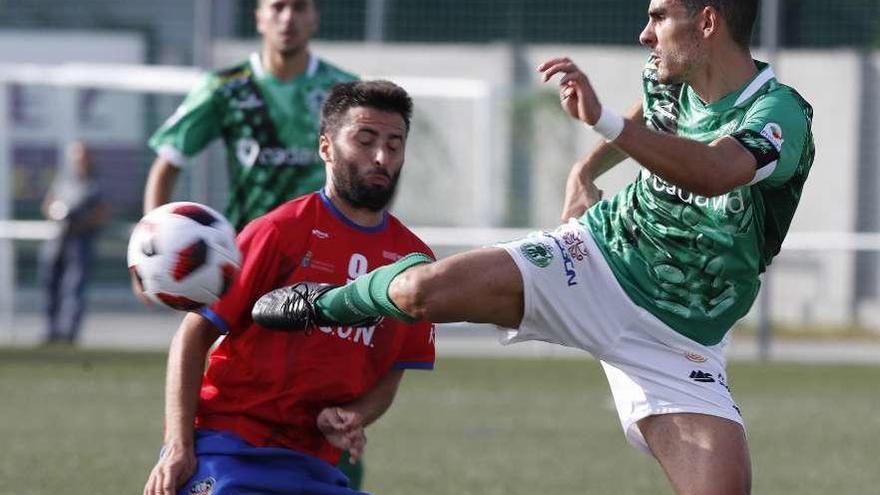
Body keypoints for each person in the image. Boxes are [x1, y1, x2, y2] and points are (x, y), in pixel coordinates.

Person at [253, 2, 815, 494]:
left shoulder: (778, 113)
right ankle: (320, 303)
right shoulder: (671, 71)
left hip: (679, 339)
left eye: (659, 16)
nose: (645, 33)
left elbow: (715, 171)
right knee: (421, 289)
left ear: (709, 22)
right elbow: (655, 114)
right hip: (595, 259)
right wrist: (585, 168)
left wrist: (603, 121)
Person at [142, 80, 435, 495]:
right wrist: (177, 445)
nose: (381, 157)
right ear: (326, 148)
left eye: (394, 143)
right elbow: (193, 335)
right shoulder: (278, 232)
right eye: (365, 140)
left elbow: (391, 375)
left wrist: (353, 415)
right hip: (228, 448)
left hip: (312, 465)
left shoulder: (413, 263)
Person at [145, 0, 357, 232]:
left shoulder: (344, 90)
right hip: (247, 248)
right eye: (278, 7)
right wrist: (155, 240)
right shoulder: (227, 87)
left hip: (323, 251)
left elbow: (376, 169)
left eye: (299, 7)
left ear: (314, 18)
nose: (287, 17)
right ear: (259, 19)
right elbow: (167, 165)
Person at [40, 141, 110, 345]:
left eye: (82, 156)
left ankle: (69, 333)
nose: (79, 161)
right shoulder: (64, 181)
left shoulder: (95, 183)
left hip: (80, 243)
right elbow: (48, 204)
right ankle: (51, 331)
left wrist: (81, 222)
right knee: (50, 285)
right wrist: (57, 212)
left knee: (73, 288)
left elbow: (102, 212)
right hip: (57, 241)